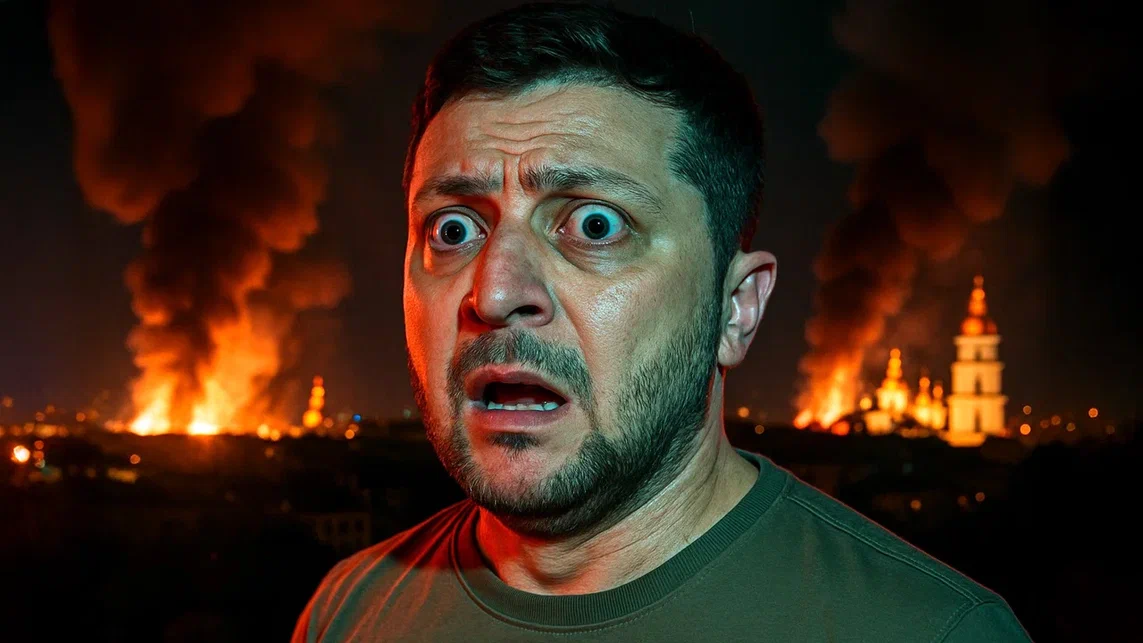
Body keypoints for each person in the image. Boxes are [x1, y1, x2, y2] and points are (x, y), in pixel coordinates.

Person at [293, 2, 1031, 640]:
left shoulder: (931, 630)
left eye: (594, 223)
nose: (494, 291)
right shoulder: (347, 610)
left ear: (735, 309)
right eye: (452, 229)